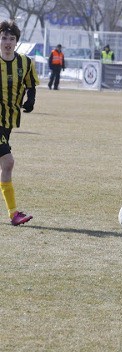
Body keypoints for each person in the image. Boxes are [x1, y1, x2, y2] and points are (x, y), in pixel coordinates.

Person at [0, 20, 38, 226]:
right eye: (4, 38)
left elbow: (31, 85)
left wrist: (31, 99)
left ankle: (13, 212)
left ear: (17, 42)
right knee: (8, 162)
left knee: (4, 165)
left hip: (8, 120)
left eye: (11, 39)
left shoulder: (25, 62)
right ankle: (13, 214)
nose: (7, 42)